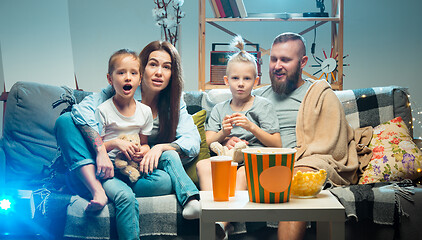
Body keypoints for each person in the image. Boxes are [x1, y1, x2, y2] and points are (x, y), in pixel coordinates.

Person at [54, 41, 201, 240]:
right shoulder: (117, 90)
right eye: (153, 64)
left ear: (173, 74)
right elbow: (80, 112)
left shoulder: (174, 103)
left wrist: (159, 148)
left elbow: (192, 141)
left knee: (165, 181)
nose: (159, 72)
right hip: (100, 164)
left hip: (133, 169)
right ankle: (94, 186)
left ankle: (117, 190)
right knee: (65, 121)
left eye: (166, 67)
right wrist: (101, 152)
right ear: (142, 70)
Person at [251, 32, 360, 240]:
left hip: (302, 163)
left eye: (285, 60)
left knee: (299, 179)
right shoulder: (257, 97)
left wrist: (297, 162)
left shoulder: (319, 93)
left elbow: (332, 142)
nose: (277, 65)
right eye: (273, 59)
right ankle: (221, 226)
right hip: (263, 163)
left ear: (303, 62)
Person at [196, 36, 282, 239]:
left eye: (247, 79)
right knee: (203, 166)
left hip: (253, 161)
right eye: (235, 79)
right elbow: (209, 142)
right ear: (227, 81)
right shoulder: (219, 109)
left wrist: (252, 127)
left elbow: (277, 143)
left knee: (243, 174)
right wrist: (223, 134)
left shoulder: (263, 106)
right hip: (227, 159)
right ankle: (215, 215)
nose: (241, 84)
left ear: (256, 81)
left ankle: (220, 223)